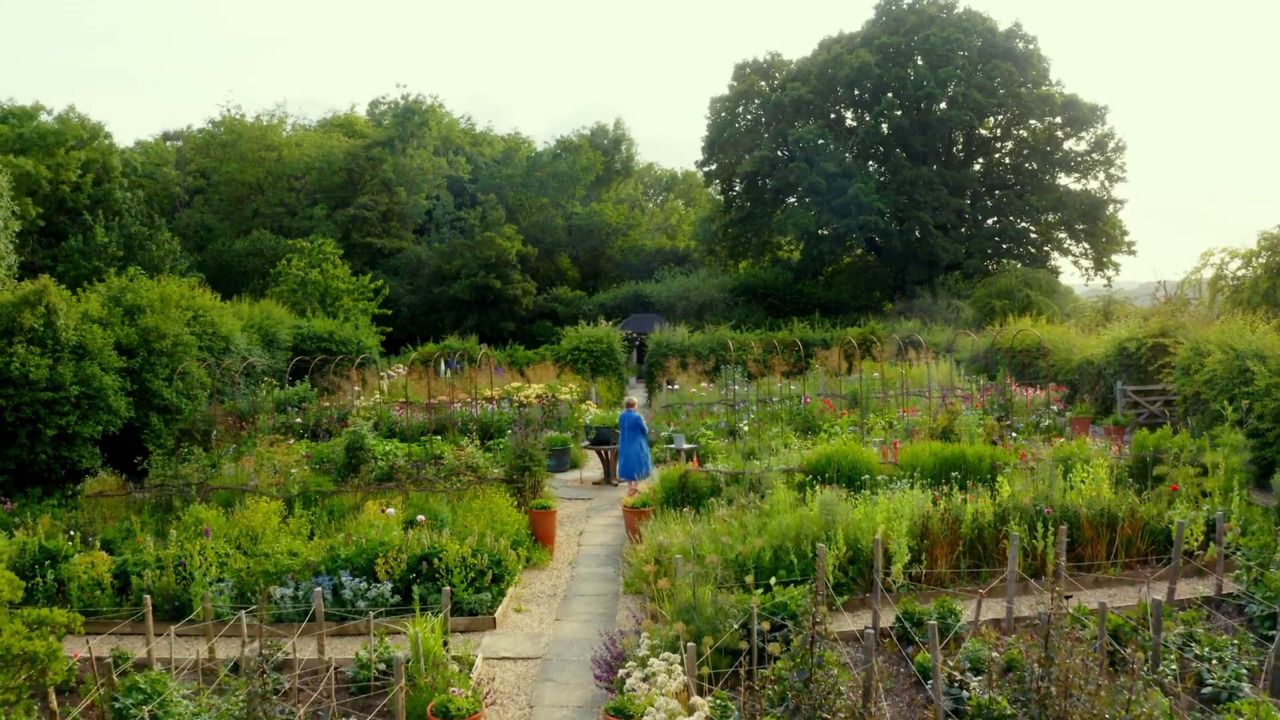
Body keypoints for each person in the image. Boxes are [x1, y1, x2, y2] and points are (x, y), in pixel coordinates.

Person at [616, 396, 651, 495]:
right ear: (635, 405)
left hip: (624, 443)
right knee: (638, 465)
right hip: (636, 444)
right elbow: (645, 430)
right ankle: (635, 487)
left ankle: (630, 487)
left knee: (627, 464)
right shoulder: (637, 417)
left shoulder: (621, 416)